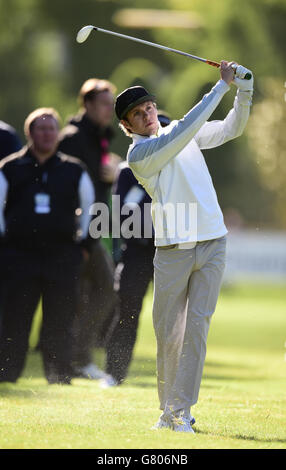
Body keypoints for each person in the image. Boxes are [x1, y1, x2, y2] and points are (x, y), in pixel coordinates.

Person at [115, 61, 253, 432]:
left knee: (197, 329)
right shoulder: (139, 157)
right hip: (173, 251)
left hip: (213, 242)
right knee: (169, 335)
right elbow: (182, 134)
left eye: (149, 108)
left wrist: (244, 90)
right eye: (137, 115)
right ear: (126, 126)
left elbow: (230, 128)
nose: (147, 116)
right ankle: (169, 412)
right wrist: (220, 87)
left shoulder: (179, 130)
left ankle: (179, 412)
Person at [0, 108, 95, 384]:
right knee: (16, 320)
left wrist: (84, 244)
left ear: (58, 133)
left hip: (63, 256)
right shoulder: (9, 167)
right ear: (29, 133)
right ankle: (7, 374)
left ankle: (59, 376)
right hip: (19, 256)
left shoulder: (74, 169)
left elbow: (90, 208)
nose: (47, 134)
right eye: (40, 129)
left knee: (60, 320)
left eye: (51, 129)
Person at [101, 112, 171, 388]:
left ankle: (173, 379)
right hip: (138, 251)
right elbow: (123, 213)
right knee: (127, 311)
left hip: (171, 250)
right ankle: (114, 373)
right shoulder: (129, 170)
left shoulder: (178, 169)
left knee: (174, 317)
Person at [58, 78, 121, 380]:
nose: (110, 109)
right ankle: (74, 358)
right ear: (88, 104)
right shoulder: (72, 137)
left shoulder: (99, 137)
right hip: (75, 231)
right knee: (104, 288)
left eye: (112, 103)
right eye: (105, 103)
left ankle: (74, 358)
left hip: (92, 227)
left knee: (88, 294)